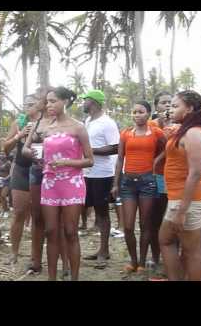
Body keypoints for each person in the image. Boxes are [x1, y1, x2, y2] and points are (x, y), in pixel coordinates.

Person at [160, 90, 201, 281]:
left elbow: (195, 172)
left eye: (176, 106)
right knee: (169, 241)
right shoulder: (186, 130)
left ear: (190, 108)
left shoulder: (193, 133)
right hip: (181, 197)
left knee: (190, 251)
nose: (171, 109)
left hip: (188, 199)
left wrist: (182, 211)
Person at [38, 87, 93, 280]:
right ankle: (51, 277)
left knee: (70, 231)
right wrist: (36, 156)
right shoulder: (45, 128)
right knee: (51, 231)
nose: (48, 105)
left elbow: (89, 160)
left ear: (65, 102)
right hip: (49, 183)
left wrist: (66, 162)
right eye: (47, 101)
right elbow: (35, 152)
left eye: (53, 101)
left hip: (72, 182)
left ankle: (74, 277)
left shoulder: (78, 127)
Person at [111, 101, 166, 273]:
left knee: (145, 224)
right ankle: (133, 260)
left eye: (141, 112)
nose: (136, 115)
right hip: (128, 182)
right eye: (134, 112)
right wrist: (115, 183)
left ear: (148, 114)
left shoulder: (156, 132)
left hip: (148, 181)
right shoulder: (126, 133)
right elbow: (120, 158)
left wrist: (155, 161)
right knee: (127, 226)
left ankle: (142, 262)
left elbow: (167, 148)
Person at [80, 89, 120, 269]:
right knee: (89, 210)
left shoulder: (107, 123)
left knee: (102, 213)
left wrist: (90, 151)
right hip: (86, 173)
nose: (83, 103)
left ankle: (104, 251)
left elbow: (115, 147)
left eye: (85, 100)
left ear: (94, 102)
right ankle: (99, 250)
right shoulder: (88, 121)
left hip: (102, 174)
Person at [3, 94, 40, 264]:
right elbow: (5, 148)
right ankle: (14, 253)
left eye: (31, 104)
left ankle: (35, 256)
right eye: (25, 104)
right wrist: (19, 136)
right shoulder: (19, 122)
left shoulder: (45, 123)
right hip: (21, 168)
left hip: (39, 169)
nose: (28, 107)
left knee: (37, 214)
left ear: (40, 104)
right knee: (18, 212)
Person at [149, 91, 174, 268]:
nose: (167, 105)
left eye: (170, 103)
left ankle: (172, 256)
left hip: (174, 176)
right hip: (155, 174)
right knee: (155, 217)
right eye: (164, 102)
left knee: (171, 217)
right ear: (156, 105)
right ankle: (156, 256)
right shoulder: (150, 125)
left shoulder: (180, 124)